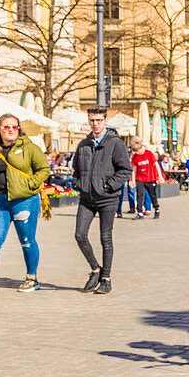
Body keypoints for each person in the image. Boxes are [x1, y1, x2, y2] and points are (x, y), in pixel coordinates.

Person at [0, 115, 50, 296]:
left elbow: (44, 169)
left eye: (14, 127)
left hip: (24, 201)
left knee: (27, 241)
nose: (11, 130)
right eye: (6, 127)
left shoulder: (29, 147)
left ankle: (32, 278)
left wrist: (30, 184)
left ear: (19, 129)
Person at [71, 106, 132, 295]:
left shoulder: (115, 143)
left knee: (105, 238)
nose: (95, 124)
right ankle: (95, 269)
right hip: (87, 198)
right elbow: (76, 169)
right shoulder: (83, 144)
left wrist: (108, 186)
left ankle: (106, 278)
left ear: (105, 121)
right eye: (92, 120)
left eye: (98, 120)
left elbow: (125, 170)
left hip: (107, 198)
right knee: (80, 235)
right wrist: (77, 183)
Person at [129, 136, 162, 220]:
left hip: (150, 178)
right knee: (140, 195)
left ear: (141, 148)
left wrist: (160, 176)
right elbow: (134, 169)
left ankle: (156, 209)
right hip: (140, 178)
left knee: (152, 195)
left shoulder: (148, 153)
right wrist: (133, 180)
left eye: (138, 150)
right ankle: (140, 212)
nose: (137, 152)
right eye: (135, 151)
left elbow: (156, 165)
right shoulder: (135, 157)